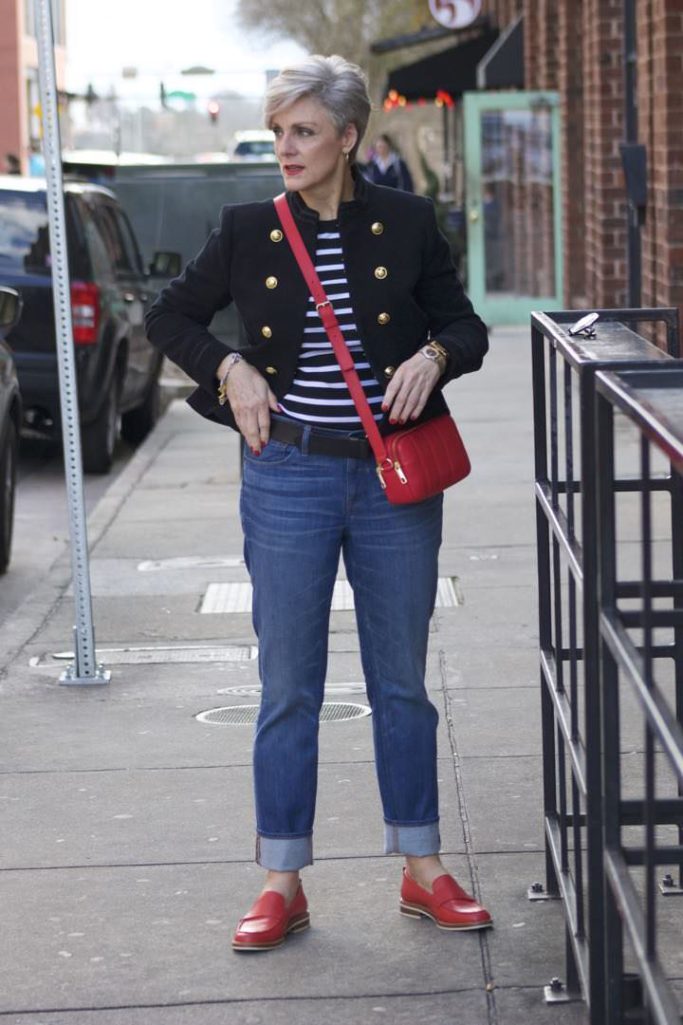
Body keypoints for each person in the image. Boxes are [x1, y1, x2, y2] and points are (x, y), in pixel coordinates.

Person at [145, 54, 491, 953]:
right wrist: (229, 368)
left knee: (401, 685)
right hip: (288, 476)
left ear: (348, 137)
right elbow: (169, 316)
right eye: (277, 133)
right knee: (288, 685)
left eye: (302, 131)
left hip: (391, 483)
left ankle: (421, 867)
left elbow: (465, 324)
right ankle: (281, 880)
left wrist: (434, 358)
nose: (286, 149)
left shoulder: (409, 224)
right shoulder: (249, 229)